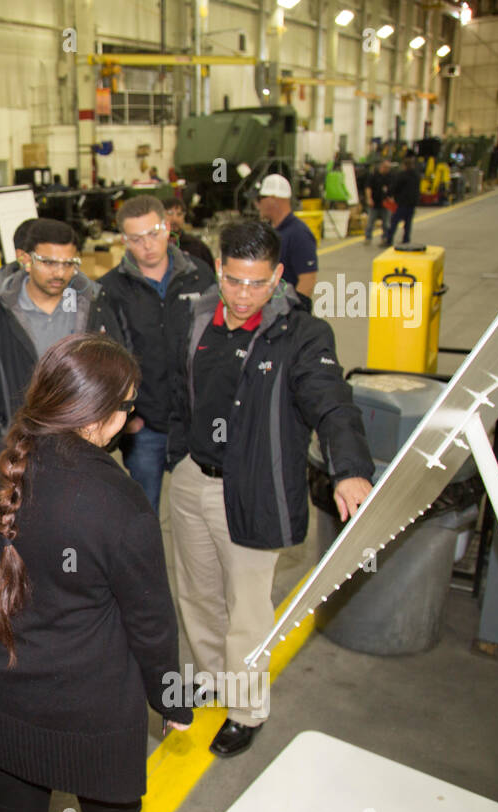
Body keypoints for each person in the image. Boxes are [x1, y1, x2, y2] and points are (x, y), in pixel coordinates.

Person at [0, 333, 193, 812]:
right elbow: (151, 623)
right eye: (128, 405)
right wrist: (171, 699)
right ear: (103, 415)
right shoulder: (119, 501)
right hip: (85, 711)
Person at [166, 220, 374, 758]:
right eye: (234, 280)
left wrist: (348, 467)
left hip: (252, 488)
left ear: (279, 275)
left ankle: (246, 708)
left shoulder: (303, 334)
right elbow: (177, 385)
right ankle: (214, 678)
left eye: (257, 283)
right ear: (219, 269)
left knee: (248, 611)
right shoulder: (195, 316)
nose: (243, 295)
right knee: (197, 594)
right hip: (193, 479)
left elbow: (332, 402)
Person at [0, 218, 122, 440]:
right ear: (25, 259)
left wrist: (103, 433)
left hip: (83, 446)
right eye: (48, 262)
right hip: (17, 448)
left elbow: (118, 375)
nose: (60, 273)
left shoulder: (94, 306)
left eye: (69, 263)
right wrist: (4, 436)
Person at [99, 196, 214, 512]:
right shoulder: (110, 290)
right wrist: (128, 417)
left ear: (168, 228)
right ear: (124, 240)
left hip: (195, 423)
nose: (148, 245)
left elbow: (219, 345)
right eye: (136, 239)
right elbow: (107, 362)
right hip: (144, 428)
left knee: (199, 515)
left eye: (153, 233)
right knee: (142, 514)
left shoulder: (200, 276)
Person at [256, 173, 318, 312]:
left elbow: (308, 280)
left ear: (273, 199)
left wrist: (293, 312)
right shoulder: (271, 231)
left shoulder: (299, 234)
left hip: (286, 316)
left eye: (260, 198)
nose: (257, 204)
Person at [163, 196, 216, 270]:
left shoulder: (197, 247)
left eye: (179, 214)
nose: (174, 219)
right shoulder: (155, 247)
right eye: (169, 213)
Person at [385, 157, 420, 247]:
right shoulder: (416, 175)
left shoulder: (402, 175)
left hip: (402, 203)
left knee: (394, 222)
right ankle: (406, 240)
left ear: (404, 166)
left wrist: (389, 194)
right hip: (412, 203)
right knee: (408, 223)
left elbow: (395, 187)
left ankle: (389, 239)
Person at [363, 158, 395, 246]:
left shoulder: (390, 176)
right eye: (386, 167)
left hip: (386, 204)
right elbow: (368, 187)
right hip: (375, 203)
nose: (388, 169)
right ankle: (368, 237)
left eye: (389, 168)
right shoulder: (374, 175)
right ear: (382, 167)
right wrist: (369, 198)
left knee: (386, 223)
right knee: (370, 222)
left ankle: (385, 238)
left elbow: (393, 189)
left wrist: (392, 198)